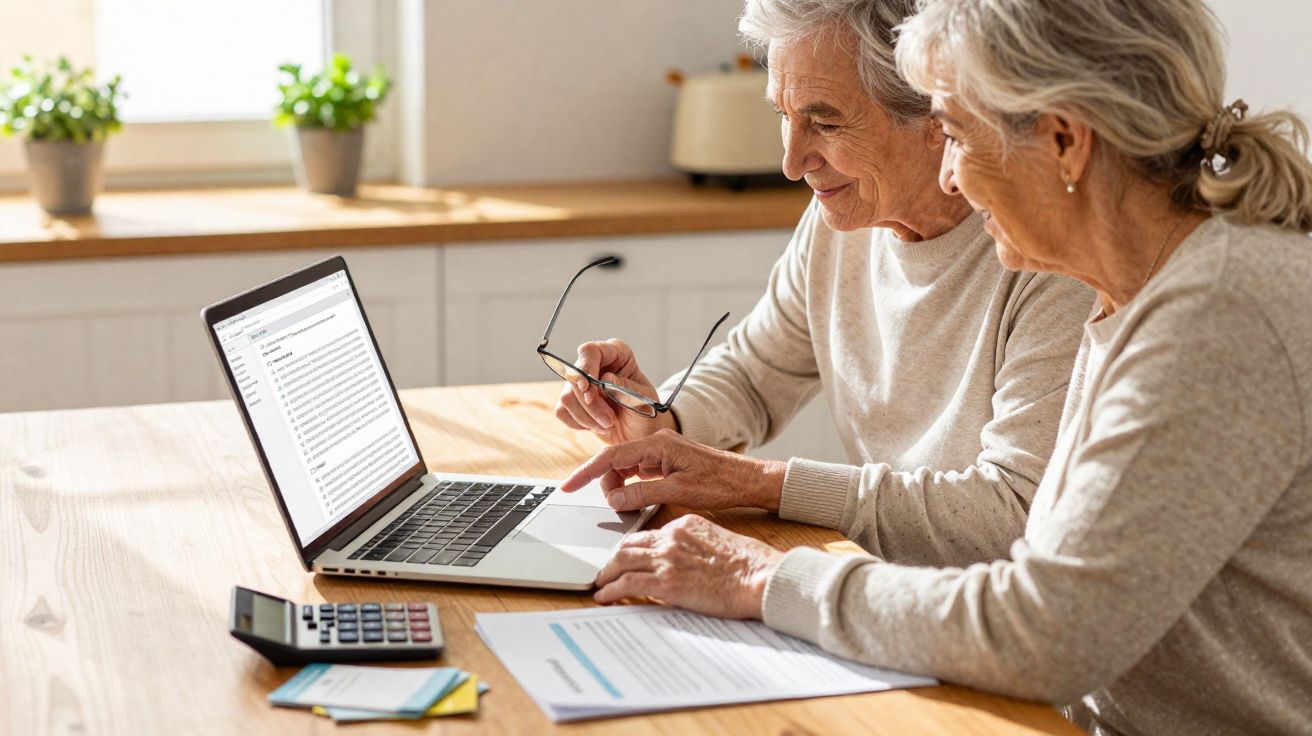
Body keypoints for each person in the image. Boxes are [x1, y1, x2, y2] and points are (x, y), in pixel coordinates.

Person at [567, 0, 1312, 732]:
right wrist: (667, 423)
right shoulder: (1137, 288)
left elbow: (1043, 629)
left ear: (1064, 141)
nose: (949, 174)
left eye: (955, 131)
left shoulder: (1211, 316)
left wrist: (760, 576)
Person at [554, 0, 1092, 572]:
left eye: (826, 122)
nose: (791, 162)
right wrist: (661, 418)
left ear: (940, 114)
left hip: (977, 619)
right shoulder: (847, 215)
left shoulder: (1054, 258)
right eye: (784, 115)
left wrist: (764, 484)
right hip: (884, 589)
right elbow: (755, 373)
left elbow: (1014, 512)